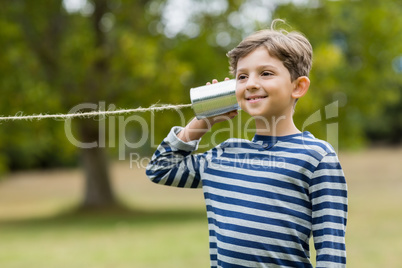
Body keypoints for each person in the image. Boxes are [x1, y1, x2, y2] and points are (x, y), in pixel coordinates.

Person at [146, 19, 348, 268]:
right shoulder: (224, 155)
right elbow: (160, 168)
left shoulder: (317, 157)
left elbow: (332, 252)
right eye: (242, 76)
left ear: (298, 86)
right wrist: (204, 120)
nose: (251, 83)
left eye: (266, 73)